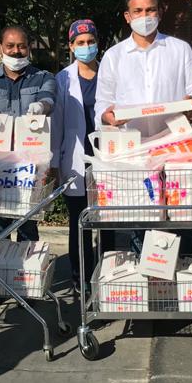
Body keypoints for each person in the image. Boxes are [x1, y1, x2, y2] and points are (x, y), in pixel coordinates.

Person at [0, 25, 56, 242]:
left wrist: (41, 107)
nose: (16, 51)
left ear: (29, 49)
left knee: (28, 227)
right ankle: (0, 271)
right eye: (10, 46)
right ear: (1, 48)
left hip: (29, 166)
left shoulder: (43, 77)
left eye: (22, 46)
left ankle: (27, 273)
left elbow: (49, 99)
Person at [94, 0, 192, 137]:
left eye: (150, 10)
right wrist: (105, 116)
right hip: (130, 143)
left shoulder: (180, 49)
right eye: (138, 11)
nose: (144, 16)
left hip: (173, 140)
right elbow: (103, 101)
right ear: (128, 17)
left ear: (160, 13)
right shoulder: (113, 56)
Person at [51, 19, 106, 289]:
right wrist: (54, 162)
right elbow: (57, 124)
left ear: (98, 42)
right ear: (72, 47)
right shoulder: (63, 79)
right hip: (75, 158)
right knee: (80, 221)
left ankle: (107, 273)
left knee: (108, 220)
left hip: (107, 156)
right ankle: (80, 275)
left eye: (90, 41)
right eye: (80, 43)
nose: (86, 47)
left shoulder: (109, 72)